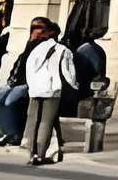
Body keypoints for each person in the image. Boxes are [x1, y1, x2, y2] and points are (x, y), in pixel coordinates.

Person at [17, 17, 79, 166]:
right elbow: (68, 72)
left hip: (35, 88)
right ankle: (41, 154)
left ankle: (32, 153)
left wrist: (32, 86)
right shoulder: (63, 50)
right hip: (52, 89)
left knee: (33, 121)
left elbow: (29, 69)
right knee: (46, 122)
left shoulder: (36, 49)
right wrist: (75, 85)